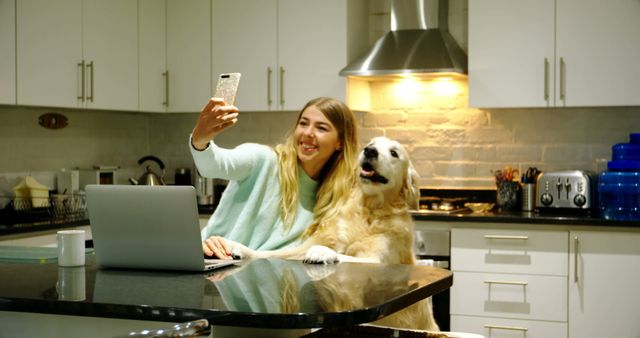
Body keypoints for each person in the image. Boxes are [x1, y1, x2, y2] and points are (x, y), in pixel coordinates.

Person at [190, 96, 359, 259]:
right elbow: (212, 165)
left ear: (341, 142)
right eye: (303, 123)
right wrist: (199, 140)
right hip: (212, 264)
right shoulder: (263, 160)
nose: (308, 133)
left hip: (266, 281)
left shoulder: (335, 199)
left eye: (321, 128)